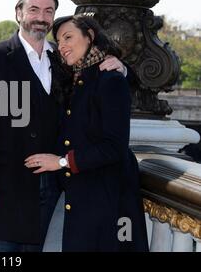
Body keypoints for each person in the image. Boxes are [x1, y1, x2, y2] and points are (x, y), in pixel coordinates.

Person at [0, 0, 127, 252]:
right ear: (19, 13)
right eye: (34, 9)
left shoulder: (62, 56)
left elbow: (98, 74)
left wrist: (122, 66)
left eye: (48, 11)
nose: (41, 17)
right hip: (7, 183)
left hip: (52, 183)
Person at [25, 14, 149, 252]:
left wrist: (61, 161)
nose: (62, 46)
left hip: (106, 197)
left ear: (90, 36)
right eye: (59, 40)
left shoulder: (110, 79)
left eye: (68, 37)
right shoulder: (73, 78)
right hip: (78, 195)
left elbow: (114, 146)